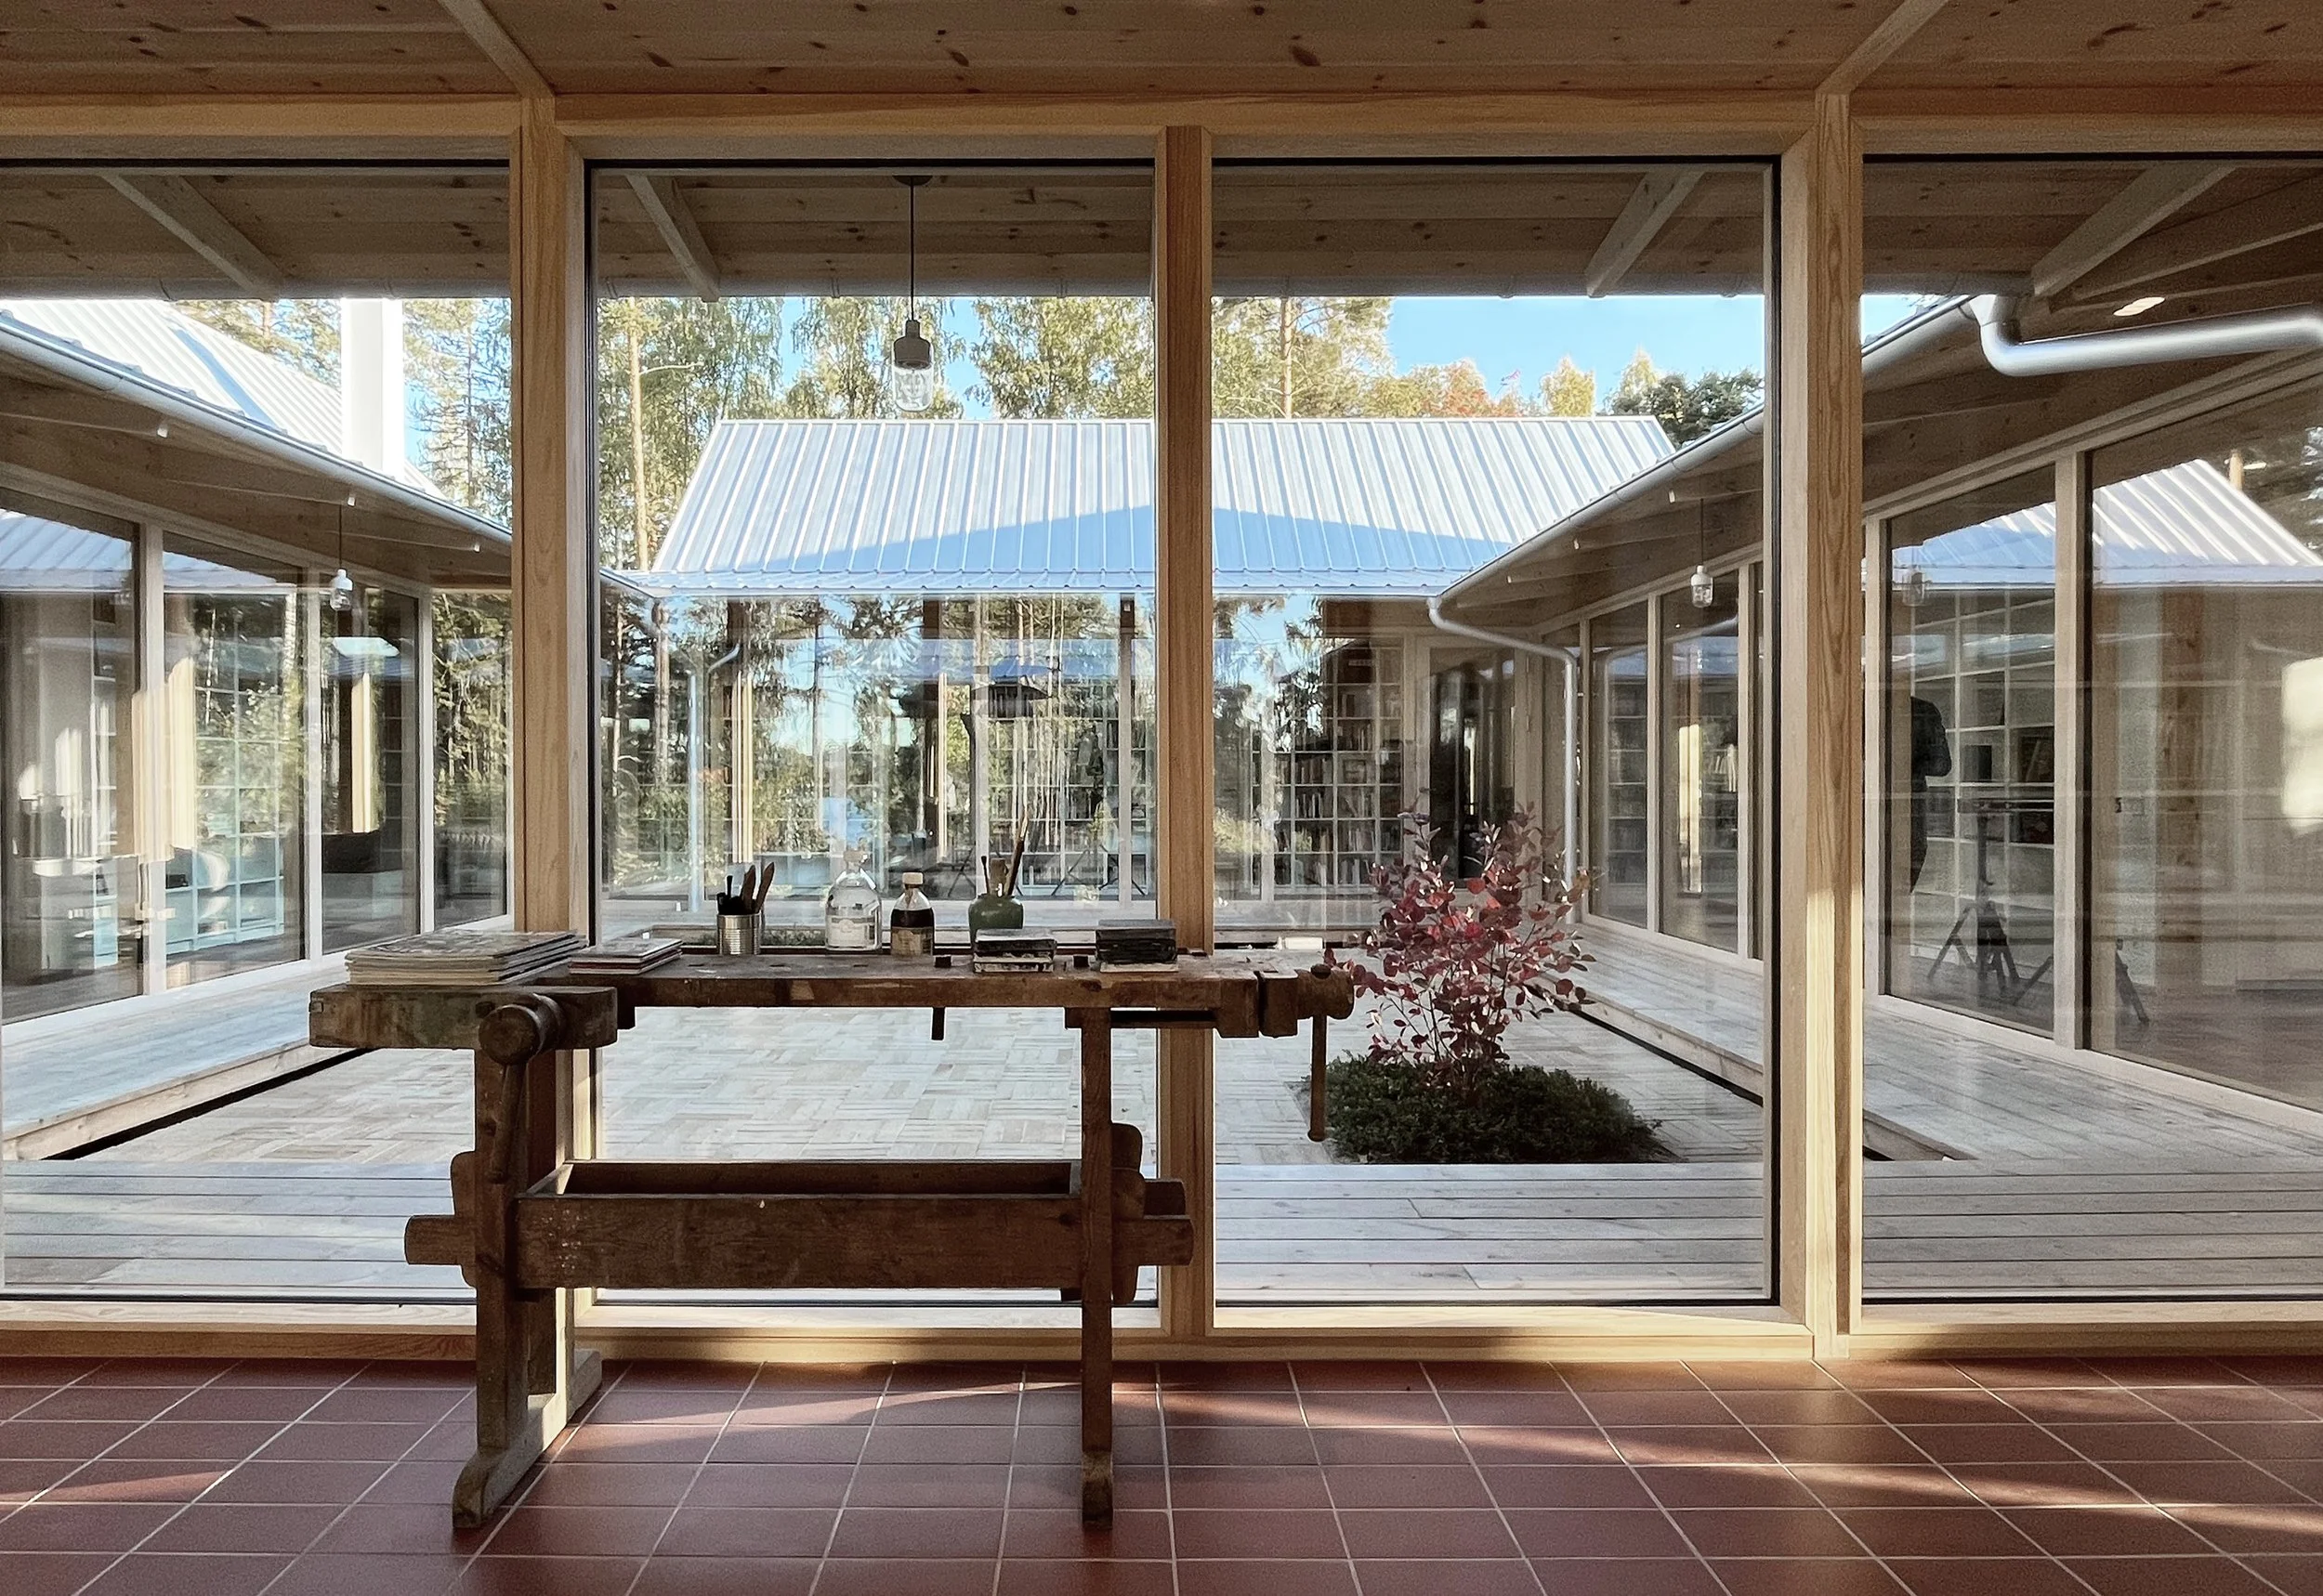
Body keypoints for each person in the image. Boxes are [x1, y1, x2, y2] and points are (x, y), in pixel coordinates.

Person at [1908, 694, 1951, 889]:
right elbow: (1941, 765)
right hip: (1910, 802)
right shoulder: (1923, 709)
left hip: (1860, 803)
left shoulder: (1856, 705)